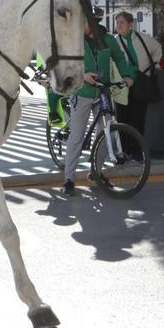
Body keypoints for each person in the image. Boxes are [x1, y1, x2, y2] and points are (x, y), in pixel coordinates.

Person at [62, 16, 132, 197]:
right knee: (77, 136)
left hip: (103, 92)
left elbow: (119, 58)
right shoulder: (76, 40)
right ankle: (68, 179)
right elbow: (67, 64)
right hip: (83, 92)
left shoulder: (108, 39)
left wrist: (126, 75)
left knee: (105, 133)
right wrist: (82, 74)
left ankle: (95, 172)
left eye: (83, 23)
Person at [112, 12, 162, 137]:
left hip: (140, 84)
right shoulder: (114, 41)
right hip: (122, 87)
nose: (119, 25)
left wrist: (155, 66)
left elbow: (157, 49)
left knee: (139, 119)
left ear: (131, 24)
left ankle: (138, 152)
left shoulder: (143, 38)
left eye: (122, 22)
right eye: (117, 22)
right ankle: (124, 151)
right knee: (122, 119)